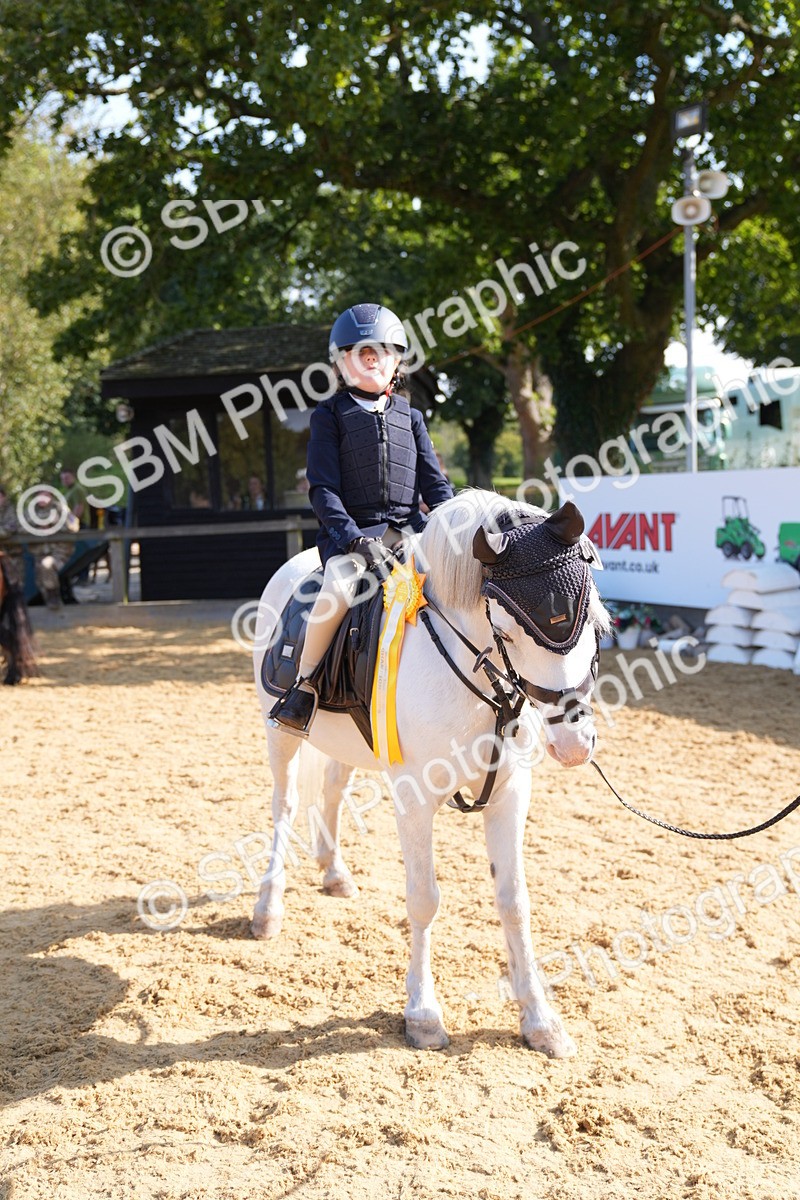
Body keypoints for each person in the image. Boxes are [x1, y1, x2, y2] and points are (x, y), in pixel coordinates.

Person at [270, 302, 454, 736]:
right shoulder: (329, 415)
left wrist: (453, 522)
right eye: (359, 352)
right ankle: (305, 686)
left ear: (397, 362)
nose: (371, 357)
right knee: (338, 587)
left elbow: (437, 486)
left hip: (414, 533)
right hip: (356, 537)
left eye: (381, 351)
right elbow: (323, 490)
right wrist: (354, 540)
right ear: (340, 363)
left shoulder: (412, 417)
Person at [0, 484, 25, 588]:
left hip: (12, 555)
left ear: (4, 497)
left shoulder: (12, 510)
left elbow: (10, 528)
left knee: (16, 587)